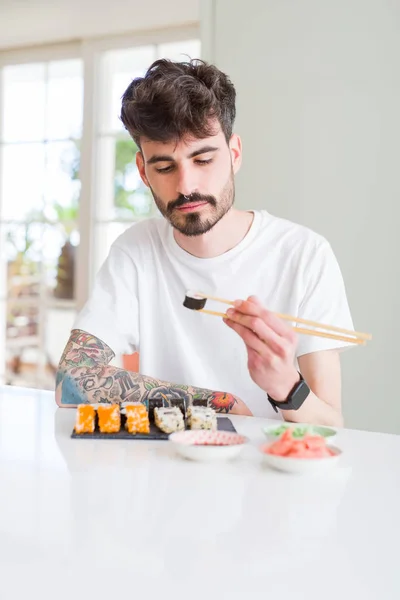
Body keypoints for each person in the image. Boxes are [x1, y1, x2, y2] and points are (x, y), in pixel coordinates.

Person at [55, 58, 354, 426]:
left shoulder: (304, 255)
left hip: (267, 474)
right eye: (165, 167)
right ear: (142, 171)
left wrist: (285, 386)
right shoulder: (136, 250)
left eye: (204, 159)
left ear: (234, 154)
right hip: (165, 470)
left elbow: (333, 426)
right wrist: (220, 402)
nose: (185, 186)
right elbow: (72, 377)